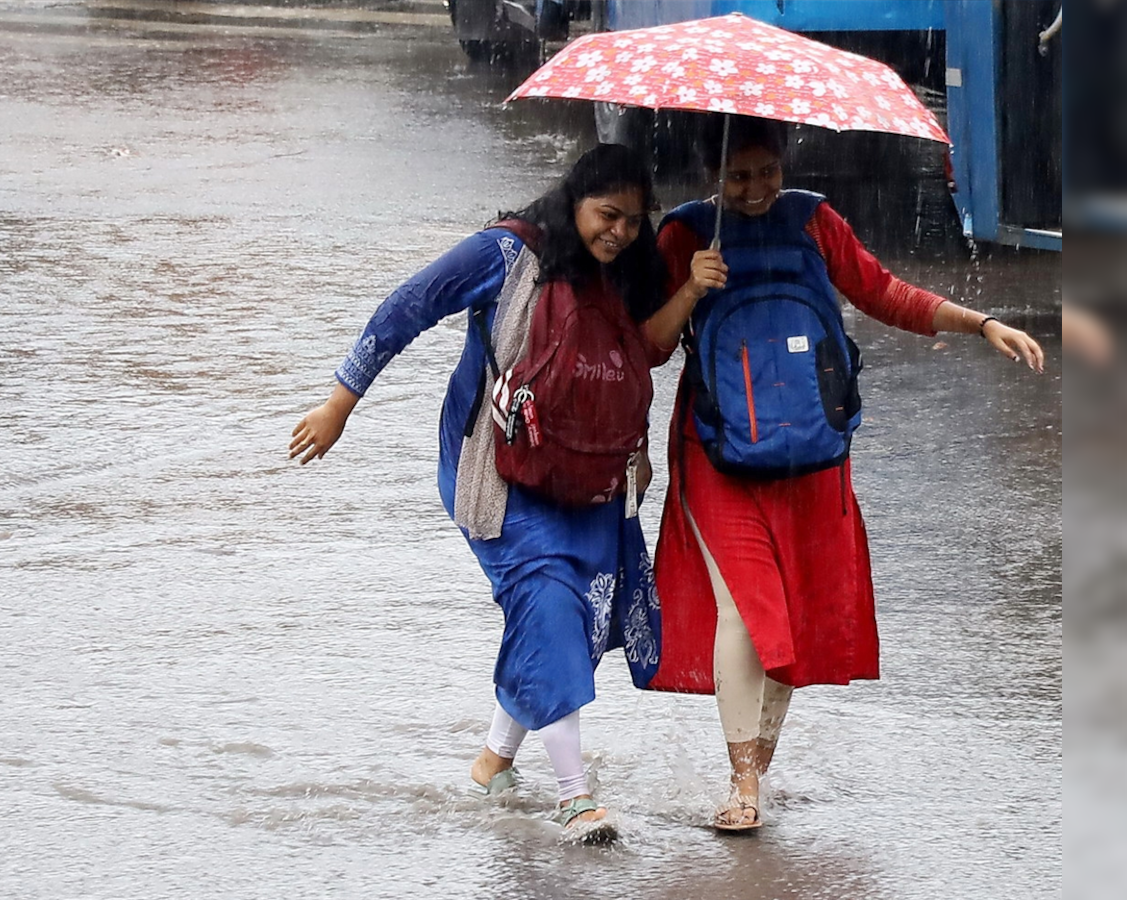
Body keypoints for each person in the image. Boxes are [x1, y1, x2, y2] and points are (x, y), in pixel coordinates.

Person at [640, 116, 1046, 832]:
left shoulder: (816, 223)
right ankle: (743, 785)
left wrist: (981, 323)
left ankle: (755, 766)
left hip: (814, 454)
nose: (757, 189)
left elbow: (885, 294)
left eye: (767, 172)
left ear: (785, 164)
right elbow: (648, 345)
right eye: (739, 176)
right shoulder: (682, 236)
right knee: (745, 610)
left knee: (791, 617)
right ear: (713, 174)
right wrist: (690, 289)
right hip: (716, 454)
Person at [289, 144, 683, 841]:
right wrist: (338, 406)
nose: (618, 232)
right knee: (550, 605)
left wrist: (644, 451)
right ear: (573, 202)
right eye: (606, 215)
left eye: (634, 220)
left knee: (564, 620)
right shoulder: (509, 255)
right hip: (497, 472)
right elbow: (408, 306)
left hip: (591, 476)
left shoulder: (625, 271)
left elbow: (632, 362)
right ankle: (574, 796)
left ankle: (492, 762)